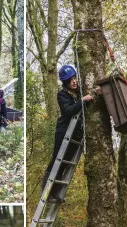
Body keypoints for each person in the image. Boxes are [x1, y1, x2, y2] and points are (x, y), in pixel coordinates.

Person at [41, 65, 93, 203]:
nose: (74, 82)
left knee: (64, 164)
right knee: (57, 160)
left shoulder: (80, 92)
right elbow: (68, 111)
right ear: (65, 83)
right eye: (71, 80)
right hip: (63, 132)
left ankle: (56, 192)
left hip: (75, 134)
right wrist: (83, 101)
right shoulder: (62, 94)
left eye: (75, 78)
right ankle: (46, 192)